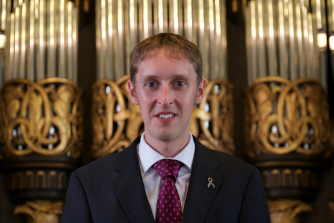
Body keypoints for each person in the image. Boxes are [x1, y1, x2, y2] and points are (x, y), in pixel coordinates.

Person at [62, 33, 270, 223]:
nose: (165, 99)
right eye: (151, 84)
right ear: (133, 92)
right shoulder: (87, 184)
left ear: (199, 91)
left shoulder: (242, 180)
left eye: (179, 83)